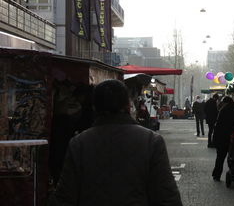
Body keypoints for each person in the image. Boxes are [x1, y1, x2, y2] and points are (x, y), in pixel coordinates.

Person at [53, 80, 183, 206]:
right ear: (127, 105)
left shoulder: (79, 143)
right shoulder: (151, 141)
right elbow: (167, 196)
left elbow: (65, 197)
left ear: (94, 107)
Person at [212, 96, 234, 181]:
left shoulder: (223, 110)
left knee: (220, 157)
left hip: (222, 137)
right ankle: (233, 174)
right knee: (232, 157)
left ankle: (217, 174)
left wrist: (214, 139)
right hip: (233, 137)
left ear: (225, 102)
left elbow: (218, 125)